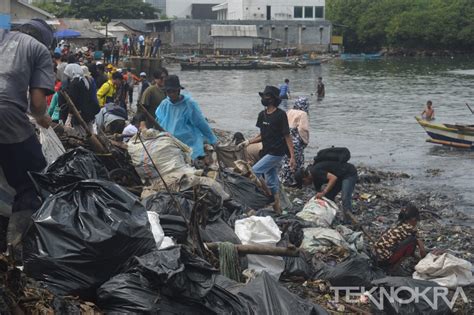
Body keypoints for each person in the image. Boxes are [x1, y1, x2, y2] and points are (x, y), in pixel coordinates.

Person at [0, 19, 55, 250]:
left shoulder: (3, 35)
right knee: (32, 177)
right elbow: (37, 105)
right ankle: (15, 246)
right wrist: (42, 118)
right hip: (6, 113)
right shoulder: (38, 49)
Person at [241, 86, 296, 213]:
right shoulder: (262, 115)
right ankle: (278, 209)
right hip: (266, 151)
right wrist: (248, 142)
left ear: (272, 99)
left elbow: (287, 136)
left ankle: (269, 197)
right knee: (271, 181)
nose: (264, 99)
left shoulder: (280, 115)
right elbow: (262, 135)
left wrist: (292, 157)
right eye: (263, 96)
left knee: (254, 172)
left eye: (267, 96)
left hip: (277, 152)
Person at [156, 75, 217, 160]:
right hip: (168, 139)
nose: (171, 94)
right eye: (169, 91)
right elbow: (158, 120)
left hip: (187, 141)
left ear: (179, 90)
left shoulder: (189, 104)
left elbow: (201, 123)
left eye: (174, 91)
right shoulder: (164, 104)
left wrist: (212, 139)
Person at [373, 204, 427, 271]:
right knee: (413, 240)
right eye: (416, 220)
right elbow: (422, 250)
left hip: (376, 258)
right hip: (386, 261)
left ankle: (392, 266)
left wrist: (417, 258)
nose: (416, 223)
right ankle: (393, 268)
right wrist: (425, 262)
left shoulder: (396, 225)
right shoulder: (412, 230)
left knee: (408, 242)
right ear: (413, 219)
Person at [58, 63, 100, 129]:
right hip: (88, 113)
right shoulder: (85, 80)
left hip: (79, 115)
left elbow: (73, 100)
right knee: (89, 132)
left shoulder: (74, 83)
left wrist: (69, 116)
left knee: (81, 134)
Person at [279, 97, 310, 186]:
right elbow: (303, 129)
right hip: (296, 142)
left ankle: (284, 179)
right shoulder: (303, 114)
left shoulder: (289, 111)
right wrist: (305, 141)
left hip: (285, 140)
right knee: (296, 162)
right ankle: (295, 181)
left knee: (286, 160)